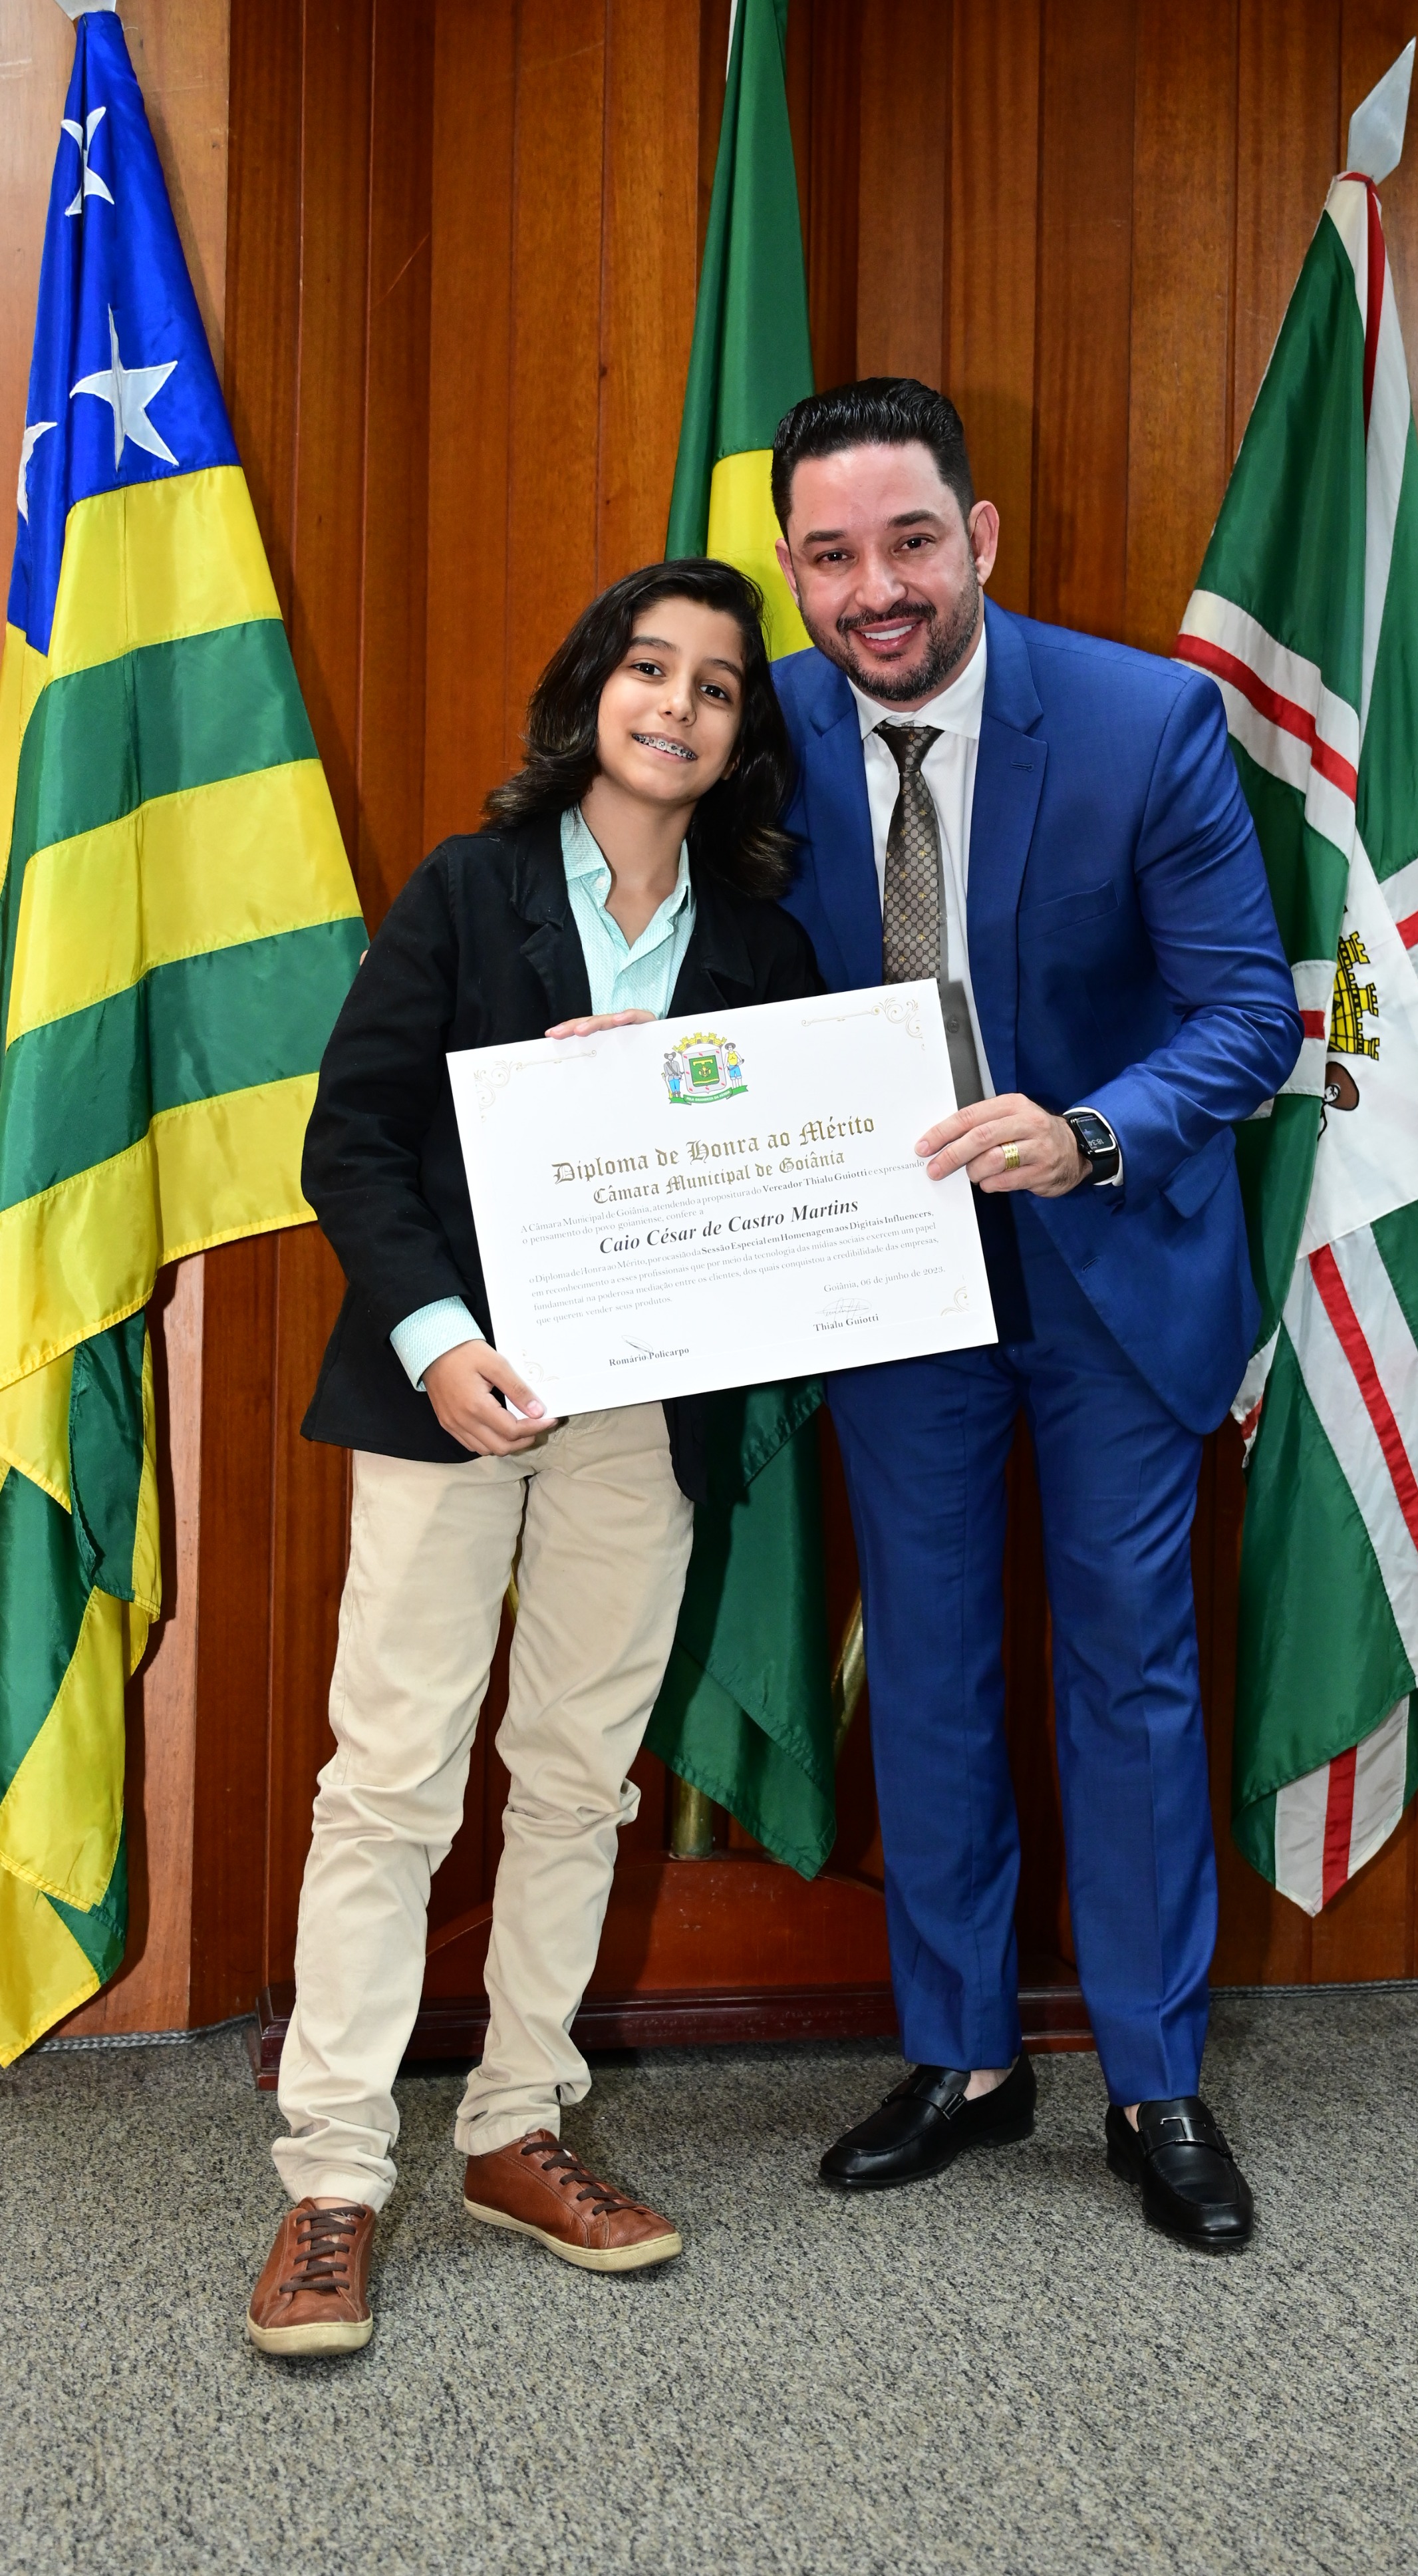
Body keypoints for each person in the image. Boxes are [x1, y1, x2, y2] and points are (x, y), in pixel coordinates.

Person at [247, 562, 821, 2356]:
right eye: (649, 669)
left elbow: (786, 1184)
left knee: (579, 1778)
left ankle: (513, 2126)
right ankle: (334, 2181)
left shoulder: (764, 946)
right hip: (452, 1390)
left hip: (642, 1414)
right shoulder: (466, 887)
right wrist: (439, 1337)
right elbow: (351, 1141)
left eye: (716, 686)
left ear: (741, 735)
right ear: (591, 693)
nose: (678, 705)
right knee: (390, 1781)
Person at [769, 380, 1302, 2249]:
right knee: (924, 1663)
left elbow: (1246, 1015)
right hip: (884, 1269)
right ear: (793, 571)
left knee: (1129, 1664)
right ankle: (965, 2058)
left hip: (1108, 1258)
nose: (876, 589)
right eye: (832, 556)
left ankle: (1154, 2081)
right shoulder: (756, 731)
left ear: (978, 537)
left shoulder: (1146, 721)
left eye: (911, 541)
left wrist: (1088, 1135)